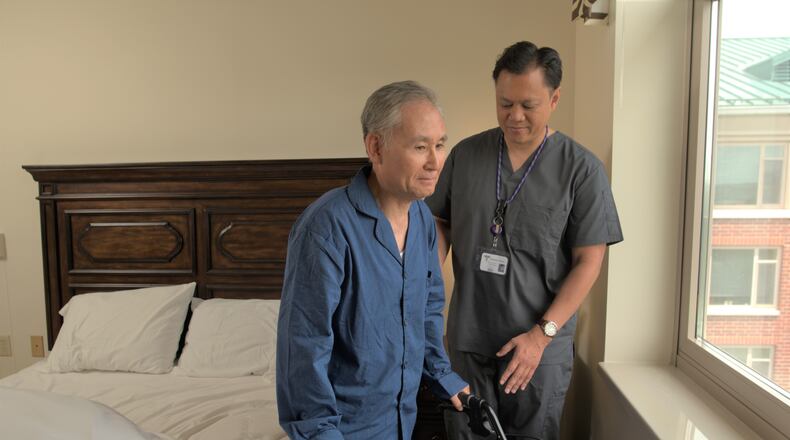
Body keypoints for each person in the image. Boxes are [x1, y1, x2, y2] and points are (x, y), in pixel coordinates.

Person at [426, 41, 623, 439]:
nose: (514, 116)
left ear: (554, 99)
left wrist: (541, 336)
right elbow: (439, 220)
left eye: (527, 105)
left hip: (538, 346)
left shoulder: (581, 170)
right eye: (504, 103)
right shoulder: (465, 156)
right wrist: (425, 281)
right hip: (469, 337)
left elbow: (589, 260)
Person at [276, 80, 469, 440]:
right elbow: (304, 347)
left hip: (401, 421)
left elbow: (426, 311)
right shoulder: (326, 227)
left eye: (440, 145)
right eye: (420, 146)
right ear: (376, 147)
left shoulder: (423, 220)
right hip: (342, 429)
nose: (435, 161)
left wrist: (444, 376)